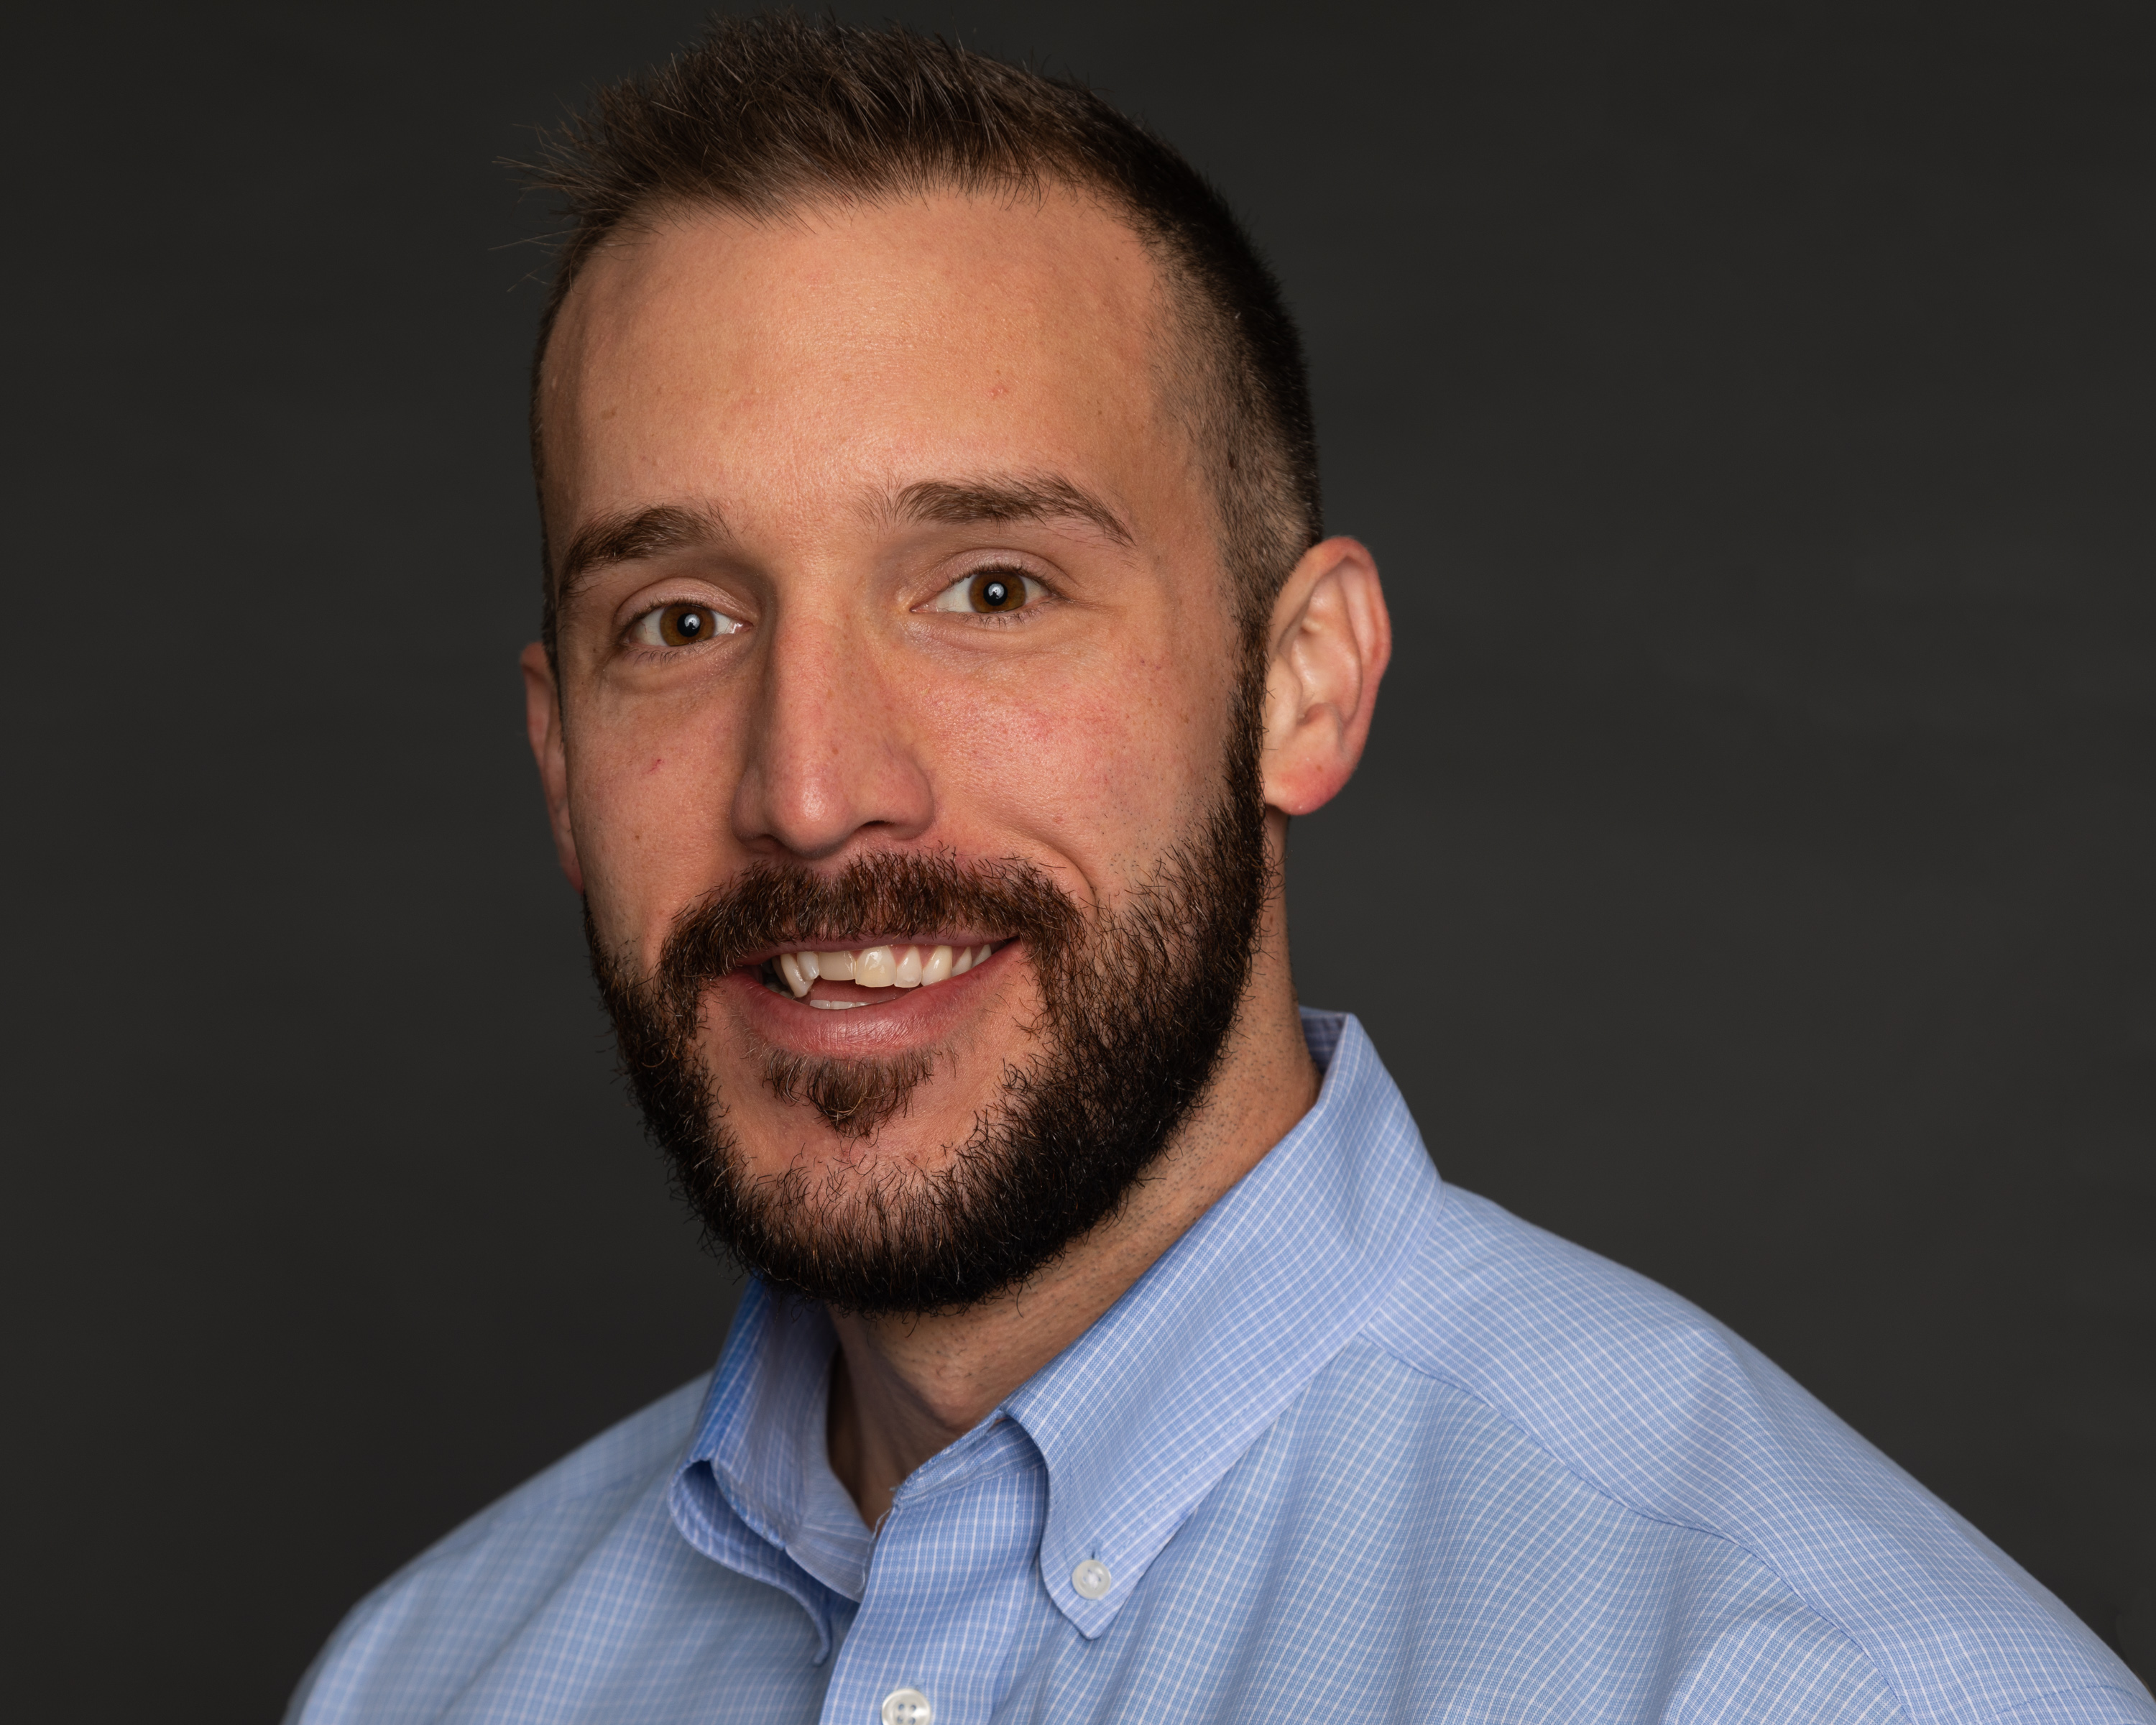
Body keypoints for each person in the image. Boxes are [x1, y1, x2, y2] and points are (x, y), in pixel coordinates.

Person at [285, 16, 2150, 1724]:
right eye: (681, 621)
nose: (813, 790)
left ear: (1302, 685)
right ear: (560, 763)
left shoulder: (1825, 1686)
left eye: (991, 589)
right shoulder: (419, 1684)